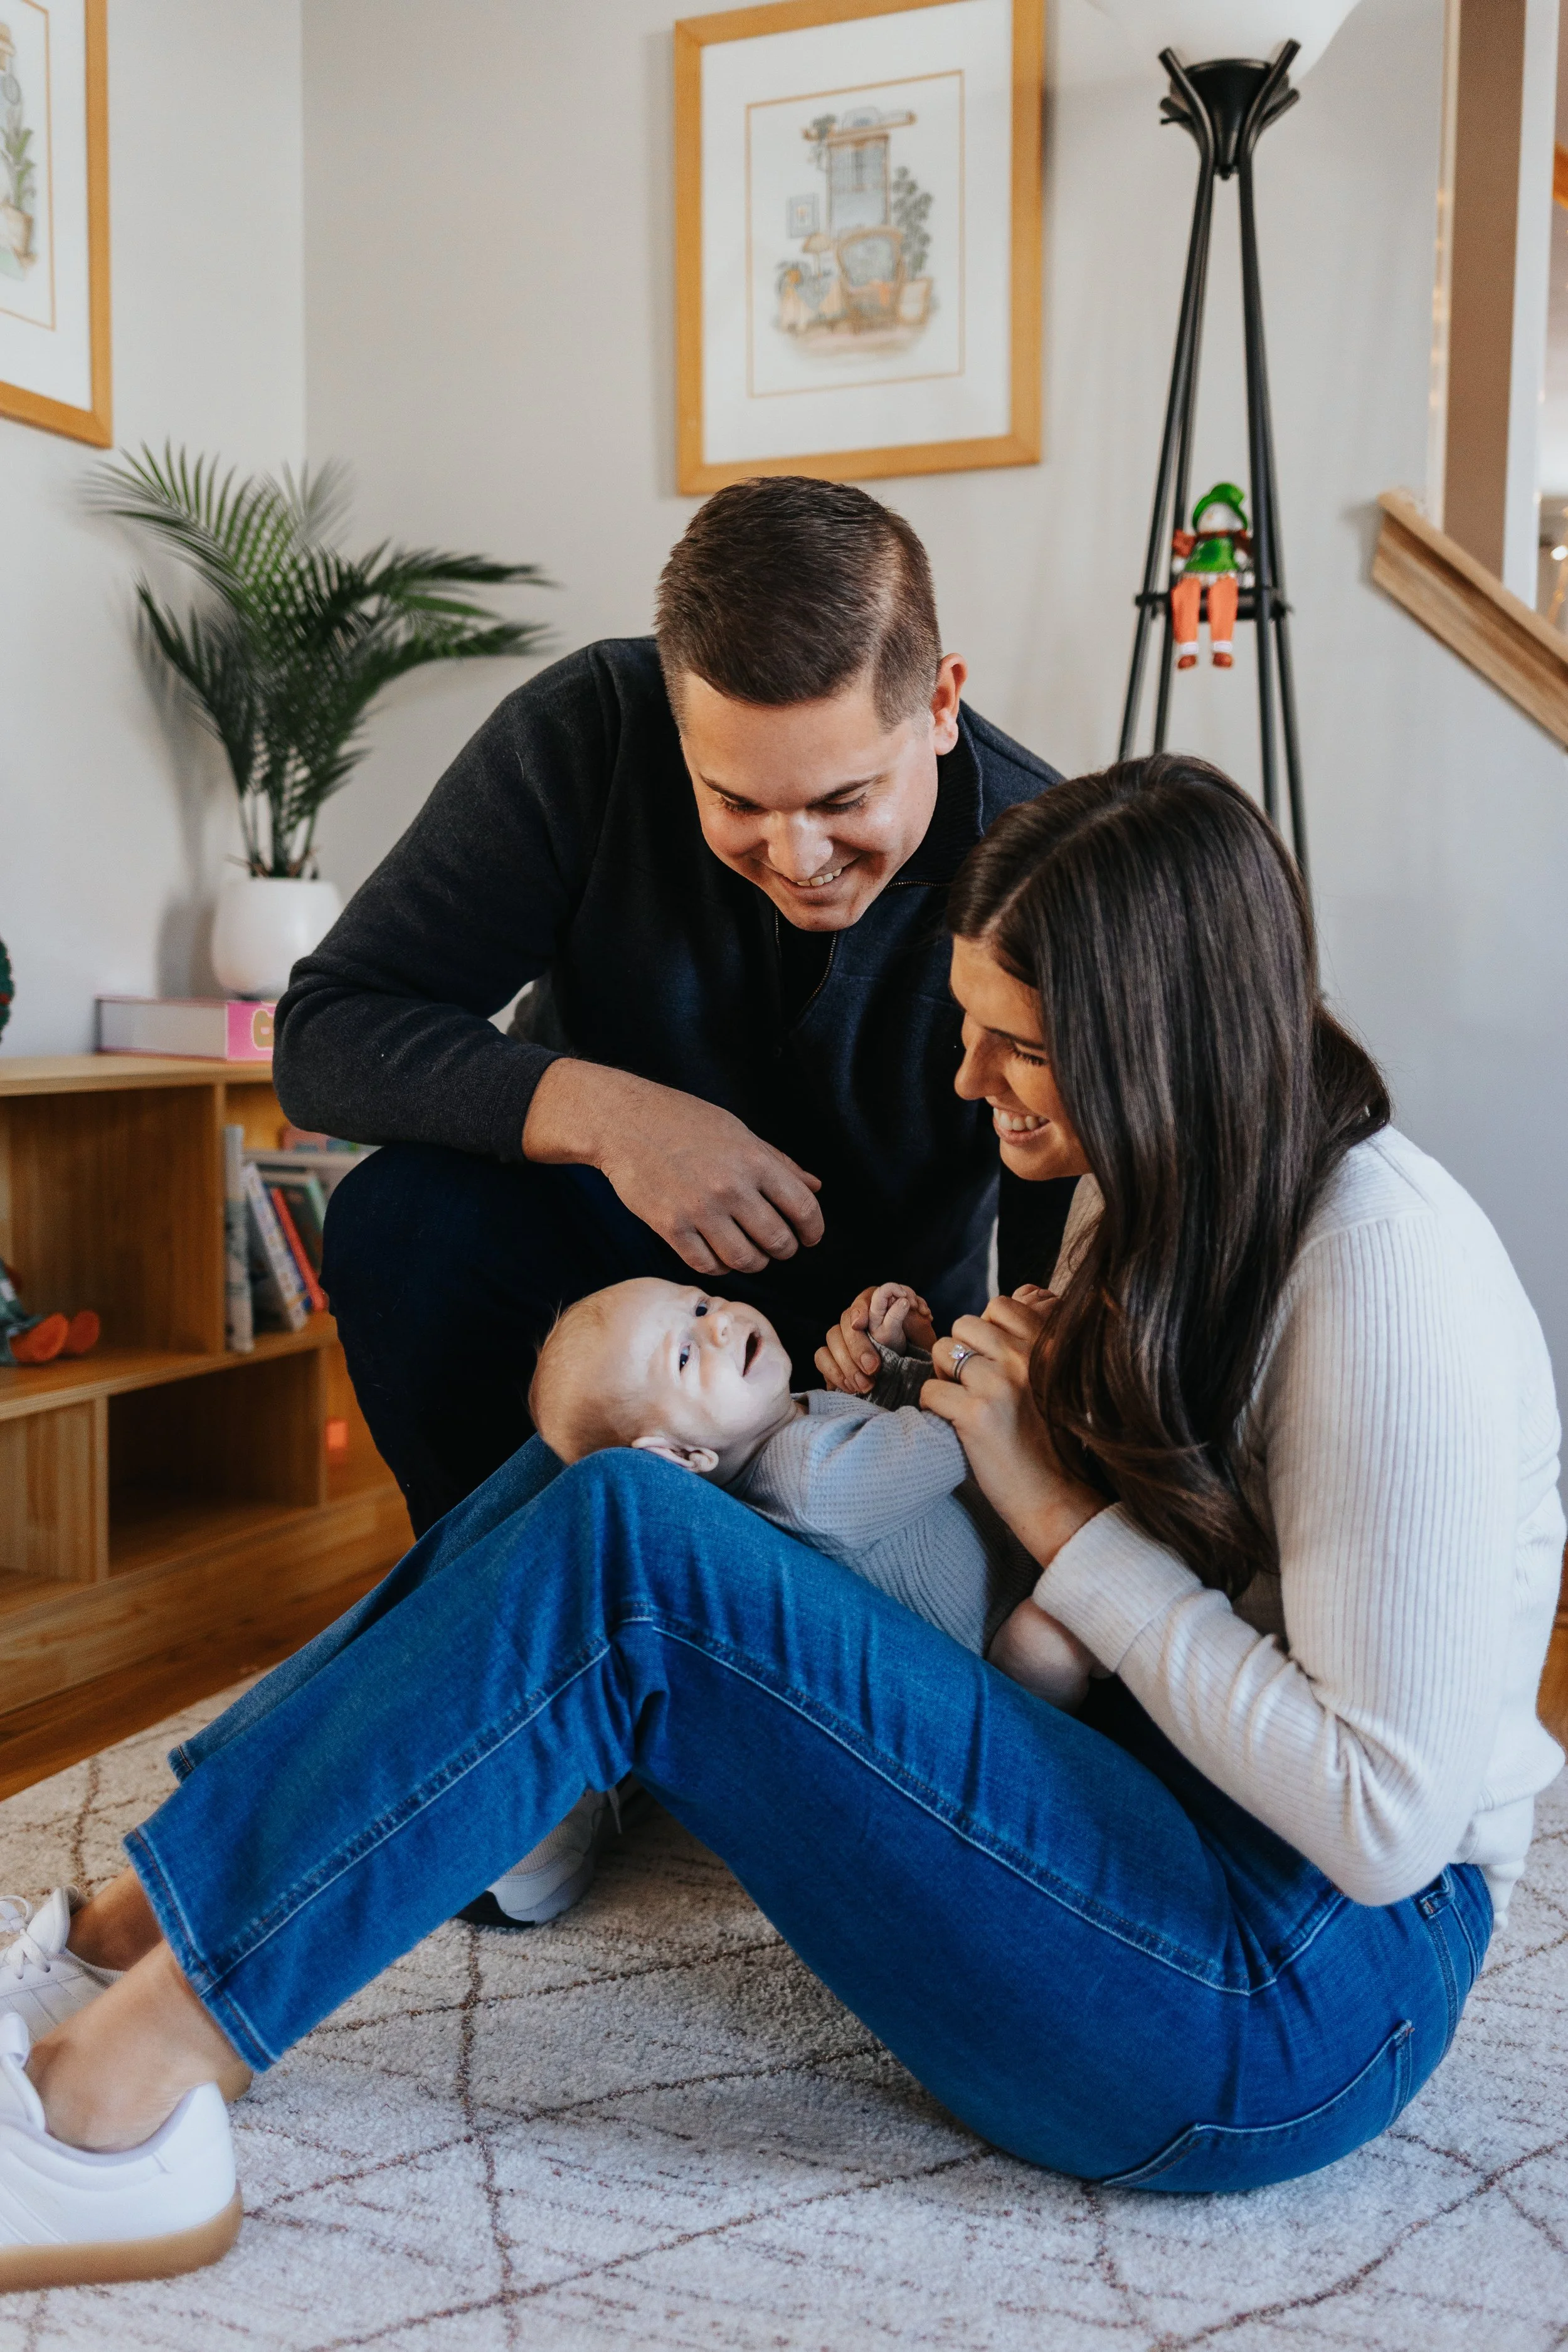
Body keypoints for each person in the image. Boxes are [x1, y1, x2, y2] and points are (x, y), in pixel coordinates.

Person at [1, 754, 1560, 2291]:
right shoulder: (1150, 1182)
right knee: (644, 1444)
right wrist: (921, 1396)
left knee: (639, 1553)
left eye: (1012, 1045)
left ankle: (108, 2115)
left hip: (1291, 1997)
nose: (967, 1082)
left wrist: (1059, 1512)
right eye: (968, 1026)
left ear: (1158, 1045)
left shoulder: (1380, 1275)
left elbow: (1386, 1820)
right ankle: (126, 1928)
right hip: (1140, 1796)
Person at [274, 475, 1070, 1546]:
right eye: (737, 802)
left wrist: (966, 1379)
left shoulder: (1044, 851)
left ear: (940, 705)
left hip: (868, 1353)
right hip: (616, 1310)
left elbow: (1065, 1204)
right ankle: (492, 1588)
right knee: (398, 1218)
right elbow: (329, 1034)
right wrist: (616, 1119)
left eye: (845, 801)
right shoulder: (587, 731)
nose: (798, 859)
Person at [524, 1272, 1090, 1695]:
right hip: (999, 1654)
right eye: (685, 1354)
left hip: (1010, 1548)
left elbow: (890, 1436)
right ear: (680, 1454)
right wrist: (1006, 1352)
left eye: (698, 1304)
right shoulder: (811, 1490)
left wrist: (889, 1360)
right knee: (1048, 1639)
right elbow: (964, 1435)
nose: (718, 1322)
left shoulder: (784, 1423)